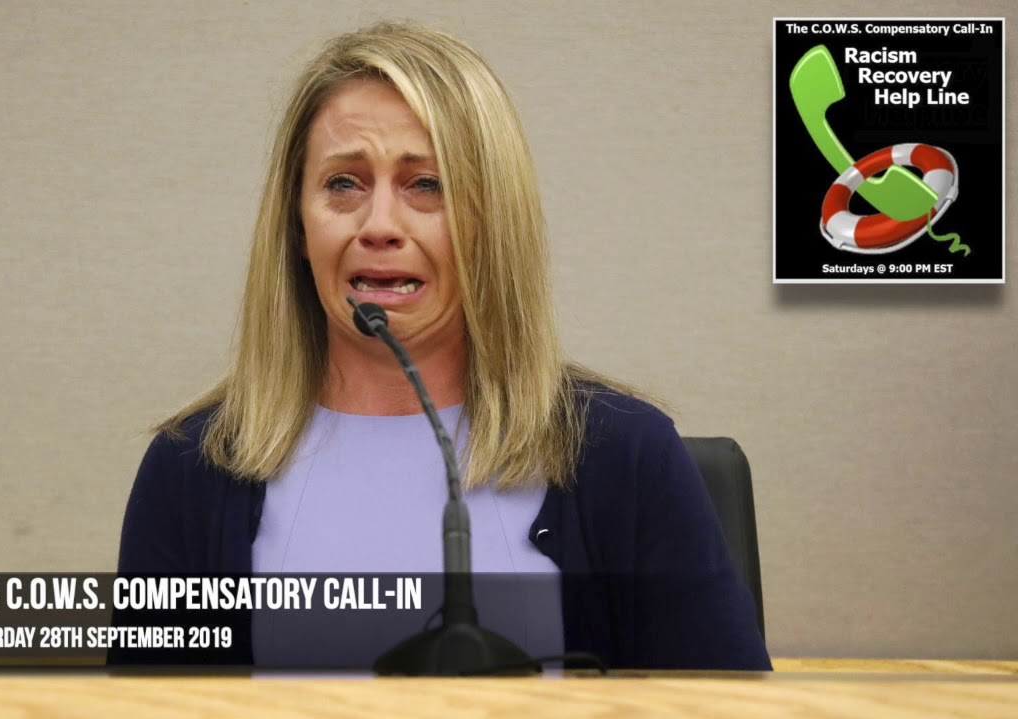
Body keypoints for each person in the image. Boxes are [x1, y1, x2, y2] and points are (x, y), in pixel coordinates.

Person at [117, 20, 771, 671]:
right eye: (343, 183)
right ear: (296, 225)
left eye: (426, 184)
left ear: (494, 221)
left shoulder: (625, 458)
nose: (379, 225)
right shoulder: (191, 470)